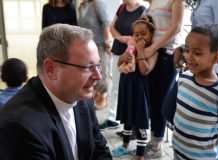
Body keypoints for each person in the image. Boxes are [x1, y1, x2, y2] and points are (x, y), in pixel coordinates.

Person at [0, 24, 112, 160]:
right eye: (88, 67)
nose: (98, 76)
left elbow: (99, 151)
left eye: (97, 65)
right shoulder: (18, 126)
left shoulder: (82, 98)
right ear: (51, 69)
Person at [172, 24, 218, 160]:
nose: (188, 57)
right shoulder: (184, 78)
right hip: (178, 150)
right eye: (187, 50)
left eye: (197, 53)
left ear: (216, 57)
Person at [143, 0, 185, 158]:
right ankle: (153, 140)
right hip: (151, 54)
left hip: (166, 55)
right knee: (153, 101)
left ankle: (156, 145)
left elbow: (177, 27)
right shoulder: (152, 2)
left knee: (160, 101)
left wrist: (153, 47)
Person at [111, 15, 157, 160]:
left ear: (151, 35)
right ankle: (125, 145)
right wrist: (122, 58)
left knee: (140, 118)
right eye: (136, 34)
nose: (139, 37)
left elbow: (145, 71)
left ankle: (140, 154)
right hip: (126, 86)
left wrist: (140, 51)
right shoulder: (129, 47)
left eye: (144, 34)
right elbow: (120, 65)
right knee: (127, 115)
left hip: (140, 89)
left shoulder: (152, 51)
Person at [100, 0, 146, 130]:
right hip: (118, 50)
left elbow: (144, 32)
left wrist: (131, 41)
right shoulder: (121, 8)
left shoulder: (142, 10)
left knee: (127, 87)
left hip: (132, 54)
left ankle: (124, 122)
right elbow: (112, 27)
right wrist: (119, 38)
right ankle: (113, 117)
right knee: (116, 86)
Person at [78, 0, 113, 110]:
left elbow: (106, 23)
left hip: (100, 45)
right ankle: (96, 94)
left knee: (102, 72)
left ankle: (103, 97)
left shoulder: (97, 3)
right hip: (87, 46)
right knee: (90, 72)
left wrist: (108, 42)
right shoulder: (81, 7)